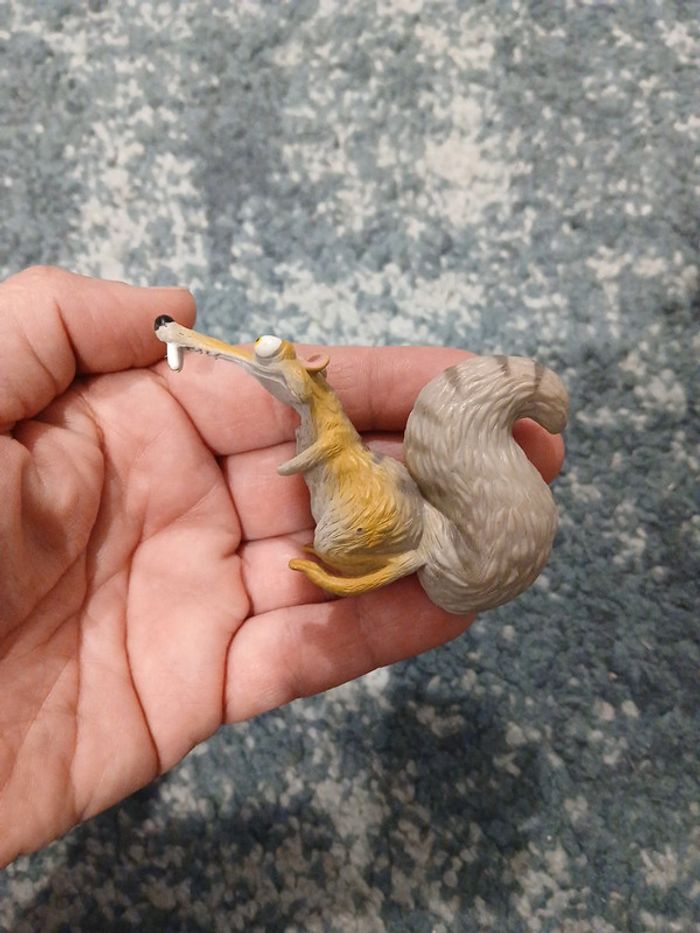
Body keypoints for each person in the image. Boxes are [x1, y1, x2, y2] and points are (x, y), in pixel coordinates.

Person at [0, 266, 564, 867]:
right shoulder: (308, 409)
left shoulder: (330, 425)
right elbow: (277, 394)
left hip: (385, 519)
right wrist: (189, 342)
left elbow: (319, 440)